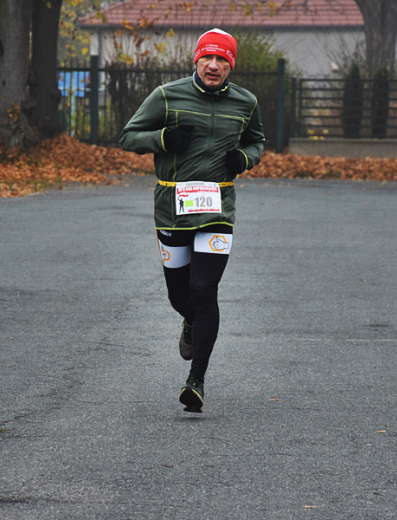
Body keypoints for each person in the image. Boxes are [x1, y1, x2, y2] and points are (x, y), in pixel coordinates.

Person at [119, 28, 265, 413]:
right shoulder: (167, 96)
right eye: (208, 58)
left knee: (204, 290)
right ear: (196, 60)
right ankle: (190, 323)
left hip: (217, 207)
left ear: (231, 64)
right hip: (172, 206)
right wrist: (164, 138)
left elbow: (257, 141)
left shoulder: (245, 101)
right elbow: (129, 137)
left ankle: (196, 382)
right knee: (179, 295)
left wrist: (244, 160)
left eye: (222, 60)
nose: (214, 66)